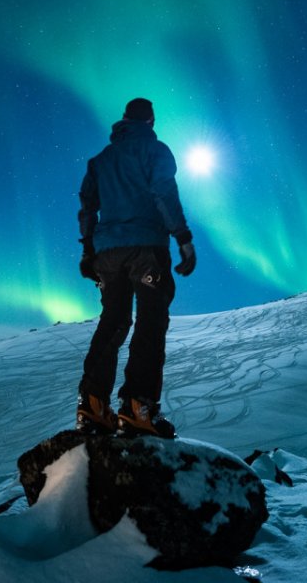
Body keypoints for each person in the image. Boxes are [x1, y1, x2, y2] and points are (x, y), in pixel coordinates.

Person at [75, 97, 197, 438]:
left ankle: (93, 405)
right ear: (152, 121)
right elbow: (163, 191)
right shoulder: (155, 151)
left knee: (113, 320)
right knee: (150, 321)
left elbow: (88, 208)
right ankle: (138, 409)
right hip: (146, 248)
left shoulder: (101, 160)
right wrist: (182, 237)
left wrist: (88, 252)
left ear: (124, 120)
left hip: (108, 253)